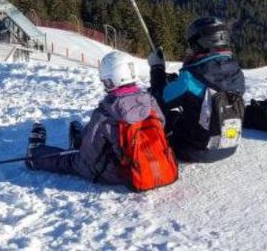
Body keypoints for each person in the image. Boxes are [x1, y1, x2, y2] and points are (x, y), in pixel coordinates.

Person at [25, 52, 168, 186]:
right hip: (152, 164)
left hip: (117, 172)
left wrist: (80, 152)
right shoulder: (150, 101)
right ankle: (80, 139)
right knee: (97, 133)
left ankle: (35, 156)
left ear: (110, 81)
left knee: (72, 161)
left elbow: (89, 155)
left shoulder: (105, 112)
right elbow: (162, 123)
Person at [148, 16, 246, 162]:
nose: (189, 49)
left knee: (168, 117)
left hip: (196, 150)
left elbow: (158, 100)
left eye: (191, 44)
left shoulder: (190, 77)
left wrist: (157, 68)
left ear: (200, 43)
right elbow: (209, 87)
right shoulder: (237, 72)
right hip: (230, 146)